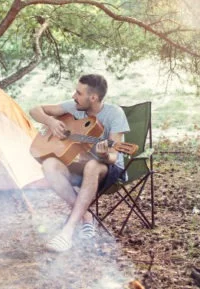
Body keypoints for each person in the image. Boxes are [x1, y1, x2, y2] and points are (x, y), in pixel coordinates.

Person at [30, 74, 129, 252]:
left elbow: (114, 156)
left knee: (92, 165)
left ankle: (66, 232)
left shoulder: (115, 114)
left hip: (109, 168)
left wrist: (105, 155)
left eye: (78, 93)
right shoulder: (73, 107)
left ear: (93, 98)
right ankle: (86, 215)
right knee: (49, 164)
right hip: (78, 164)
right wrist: (51, 122)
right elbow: (34, 110)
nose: (74, 96)